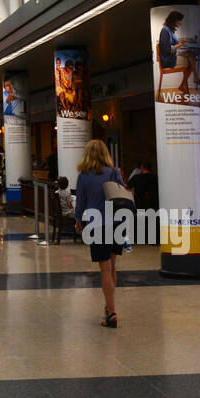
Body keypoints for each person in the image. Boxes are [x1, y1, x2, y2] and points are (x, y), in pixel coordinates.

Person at [75, 139, 127, 328]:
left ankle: (112, 311)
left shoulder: (84, 176)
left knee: (104, 268)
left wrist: (79, 220)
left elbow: (81, 201)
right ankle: (109, 306)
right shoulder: (114, 172)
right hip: (116, 223)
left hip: (97, 223)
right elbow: (122, 194)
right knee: (112, 266)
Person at [158, 11, 198, 94]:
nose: (180, 23)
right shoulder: (165, 31)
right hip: (168, 61)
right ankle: (194, 78)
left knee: (191, 56)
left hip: (172, 56)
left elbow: (174, 45)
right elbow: (167, 50)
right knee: (191, 57)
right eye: (179, 20)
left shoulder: (170, 31)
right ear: (173, 20)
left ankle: (183, 84)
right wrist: (181, 44)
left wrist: (182, 44)